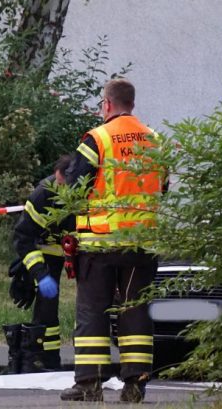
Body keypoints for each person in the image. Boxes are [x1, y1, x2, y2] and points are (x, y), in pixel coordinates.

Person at [59, 79, 163, 403]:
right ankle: (135, 386)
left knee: (93, 312)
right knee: (136, 313)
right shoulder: (154, 140)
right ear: (132, 104)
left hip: (100, 245)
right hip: (141, 245)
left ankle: (89, 384)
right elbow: (162, 187)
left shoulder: (98, 138)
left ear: (106, 104)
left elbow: (75, 187)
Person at [3, 154, 74, 374]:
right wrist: (40, 274)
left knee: (90, 307)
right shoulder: (43, 194)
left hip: (81, 251)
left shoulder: (87, 192)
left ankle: (88, 363)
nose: (60, 188)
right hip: (47, 252)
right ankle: (46, 361)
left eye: (64, 185)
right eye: (58, 182)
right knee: (46, 308)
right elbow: (23, 237)